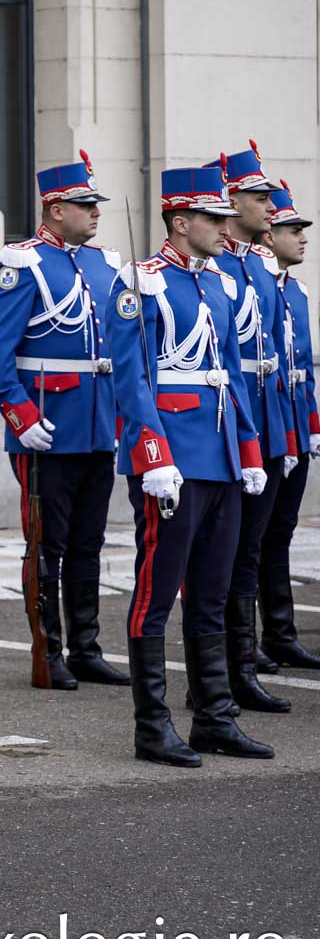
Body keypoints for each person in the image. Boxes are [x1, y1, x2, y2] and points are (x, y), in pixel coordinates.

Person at [103, 165, 272, 766]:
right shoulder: (142, 283)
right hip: (171, 458)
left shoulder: (220, 284)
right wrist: (153, 454)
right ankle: (152, 725)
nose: (227, 229)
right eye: (214, 219)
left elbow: (232, 376)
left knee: (212, 591)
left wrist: (249, 452)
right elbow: (132, 379)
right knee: (156, 589)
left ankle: (215, 718)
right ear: (181, 222)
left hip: (221, 453)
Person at [0, 152, 129, 688]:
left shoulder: (106, 264)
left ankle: (87, 647)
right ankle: (51, 652)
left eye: (95, 204)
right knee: (48, 543)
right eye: (85, 204)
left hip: (97, 424)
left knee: (90, 543)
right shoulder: (24, 262)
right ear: (55, 207)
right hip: (47, 425)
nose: (95, 213)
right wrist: (20, 416)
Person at [204, 148, 298, 712]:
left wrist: (284, 435)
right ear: (231, 201)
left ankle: (242, 669)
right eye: (259, 198)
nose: (270, 207)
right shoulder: (209, 264)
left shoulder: (261, 265)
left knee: (251, 549)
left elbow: (278, 358)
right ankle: (217, 674)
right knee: (222, 550)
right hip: (222, 422)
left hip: (263, 418)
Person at [259, 180, 320, 670]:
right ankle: (249, 639)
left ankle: (280, 632)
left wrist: (310, 426)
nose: (302, 238)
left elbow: (302, 366)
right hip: (266, 424)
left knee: (281, 532)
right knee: (253, 537)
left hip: (295, 422)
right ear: (267, 236)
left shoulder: (295, 290)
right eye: (291, 229)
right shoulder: (257, 287)